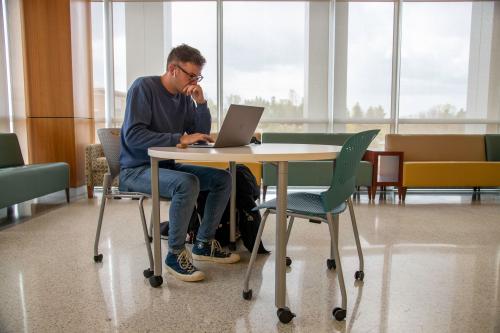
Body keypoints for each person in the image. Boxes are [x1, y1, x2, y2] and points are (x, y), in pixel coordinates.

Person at [119, 44, 240, 282]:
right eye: (191, 75)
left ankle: (203, 244)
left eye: (198, 76)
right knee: (187, 183)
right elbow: (133, 136)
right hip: (135, 170)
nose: (194, 81)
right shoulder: (143, 87)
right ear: (173, 69)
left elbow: (200, 133)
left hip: (165, 167)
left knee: (222, 178)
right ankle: (174, 255)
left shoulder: (184, 98)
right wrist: (179, 138)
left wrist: (201, 104)